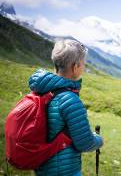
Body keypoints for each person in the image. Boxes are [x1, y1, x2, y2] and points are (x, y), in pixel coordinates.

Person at [29, 39, 103, 175]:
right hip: (64, 171)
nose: (84, 67)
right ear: (75, 67)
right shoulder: (70, 100)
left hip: (42, 167)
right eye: (83, 64)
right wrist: (98, 140)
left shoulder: (41, 90)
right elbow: (85, 143)